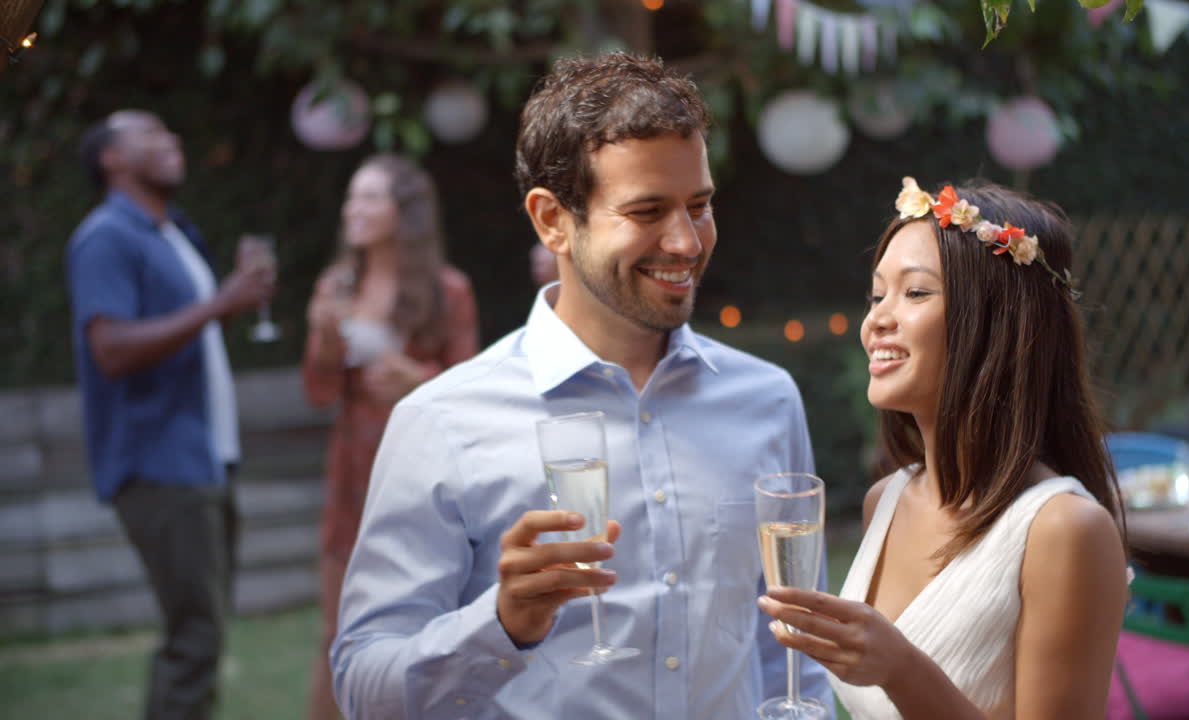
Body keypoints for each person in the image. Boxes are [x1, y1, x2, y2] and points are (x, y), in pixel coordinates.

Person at [330, 53, 830, 719]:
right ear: (551, 220)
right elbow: (365, 687)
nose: (685, 241)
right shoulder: (443, 420)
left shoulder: (767, 400)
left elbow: (793, 655)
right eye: (647, 210)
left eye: (699, 205)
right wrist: (501, 625)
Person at [757, 178, 1129, 719]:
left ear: (997, 322)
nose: (876, 320)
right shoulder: (884, 500)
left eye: (915, 293)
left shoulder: (1064, 531)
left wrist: (902, 671)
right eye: (877, 294)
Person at [66, 110, 275, 720]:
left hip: (204, 455)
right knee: (194, 637)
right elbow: (110, 348)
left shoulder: (171, 233)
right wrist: (221, 303)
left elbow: (184, 331)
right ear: (112, 159)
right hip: (158, 462)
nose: (173, 139)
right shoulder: (106, 236)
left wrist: (228, 303)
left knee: (203, 633)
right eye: (152, 134)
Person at [302, 153, 480, 720]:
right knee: (338, 633)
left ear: (405, 212)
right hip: (353, 472)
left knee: (428, 630)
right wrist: (325, 346)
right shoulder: (336, 286)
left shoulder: (448, 292)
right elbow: (318, 392)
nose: (354, 208)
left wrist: (417, 380)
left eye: (370, 197)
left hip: (421, 477)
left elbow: (474, 397)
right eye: (352, 197)